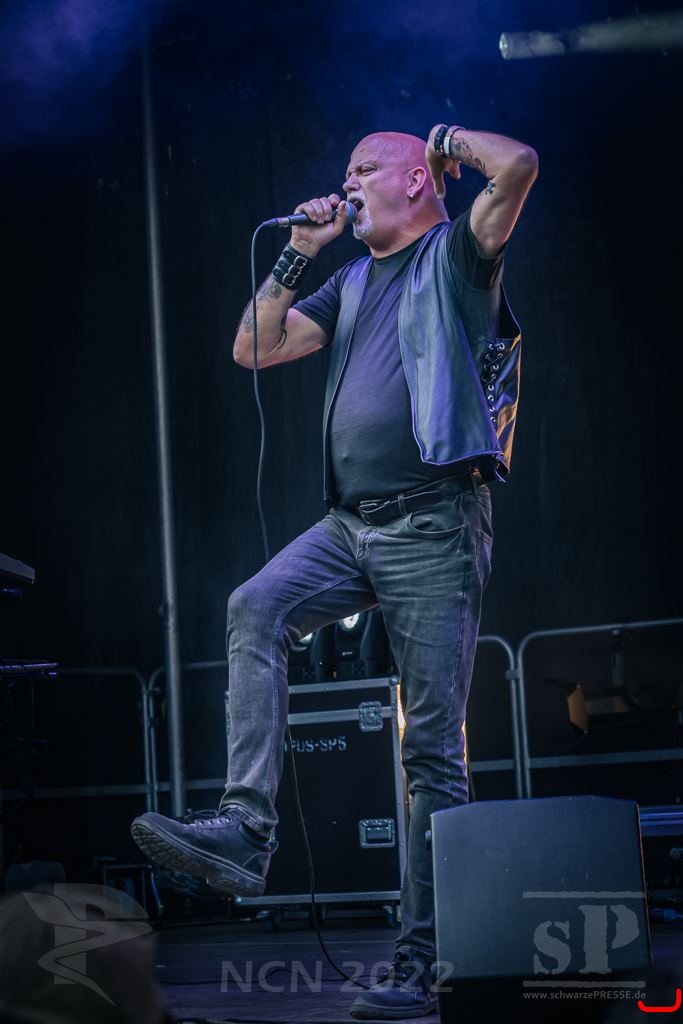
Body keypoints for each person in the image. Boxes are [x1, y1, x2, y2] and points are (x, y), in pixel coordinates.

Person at [131, 120, 538, 1019]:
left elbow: (515, 166)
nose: (345, 182)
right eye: (344, 171)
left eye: (363, 168)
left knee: (431, 753)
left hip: (433, 522)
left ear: (417, 181)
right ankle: (245, 828)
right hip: (349, 526)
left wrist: (440, 140)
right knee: (255, 606)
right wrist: (298, 256)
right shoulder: (349, 280)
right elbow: (254, 348)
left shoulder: (455, 256)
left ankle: (421, 963)